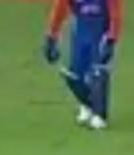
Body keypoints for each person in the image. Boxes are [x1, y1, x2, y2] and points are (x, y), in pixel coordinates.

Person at [42, 0, 122, 131]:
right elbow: (60, 10)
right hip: (80, 31)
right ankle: (86, 104)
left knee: (98, 70)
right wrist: (51, 37)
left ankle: (100, 115)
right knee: (74, 73)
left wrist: (112, 38)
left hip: (100, 31)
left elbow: (115, 12)